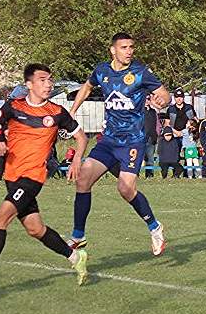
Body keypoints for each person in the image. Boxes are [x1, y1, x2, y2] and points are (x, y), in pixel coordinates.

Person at [0, 63, 90, 289]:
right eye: (42, 80)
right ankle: (75, 257)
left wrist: (77, 159)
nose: (48, 84)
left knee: (0, 218)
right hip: (12, 175)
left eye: (50, 79)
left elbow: (81, 137)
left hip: (32, 177)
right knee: (35, 229)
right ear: (29, 84)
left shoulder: (57, 112)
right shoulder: (13, 106)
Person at [68, 32, 171, 254]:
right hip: (108, 141)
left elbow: (165, 95)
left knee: (125, 189)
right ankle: (78, 236)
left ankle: (154, 227)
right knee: (83, 179)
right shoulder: (102, 71)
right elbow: (87, 86)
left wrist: (162, 100)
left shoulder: (140, 73)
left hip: (132, 142)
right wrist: (73, 110)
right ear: (113, 50)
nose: (129, 51)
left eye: (131, 47)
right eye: (124, 47)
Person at [143, 102, 160, 177]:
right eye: (145, 99)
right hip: (140, 138)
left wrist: (157, 133)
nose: (147, 101)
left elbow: (157, 124)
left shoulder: (153, 111)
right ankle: (135, 175)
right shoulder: (139, 110)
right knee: (138, 158)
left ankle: (149, 175)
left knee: (150, 158)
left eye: (148, 99)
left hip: (151, 137)